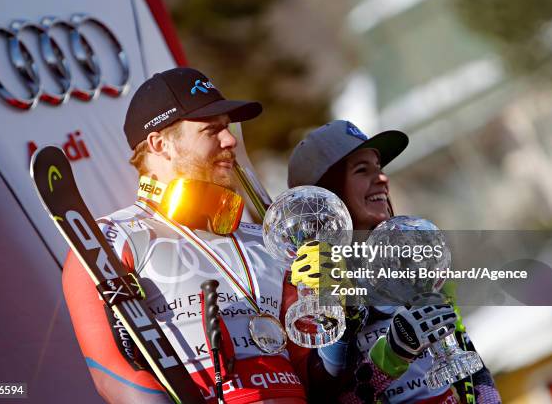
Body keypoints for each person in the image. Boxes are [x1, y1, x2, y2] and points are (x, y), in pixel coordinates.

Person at [62, 68, 306, 403]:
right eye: (212, 130)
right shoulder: (111, 239)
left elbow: (314, 371)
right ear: (160, 143)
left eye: (228, 127)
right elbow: (113, 373)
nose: (231, 139)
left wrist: (330, 308)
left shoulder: (265, 240)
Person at [285, 120, 502, 403]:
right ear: (324, 195)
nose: (383, 179)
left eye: (380, 169)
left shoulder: (412, 252)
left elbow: (467, 360)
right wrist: (391, 355)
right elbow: (326, 397)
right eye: (363, 170)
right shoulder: (304, 284)